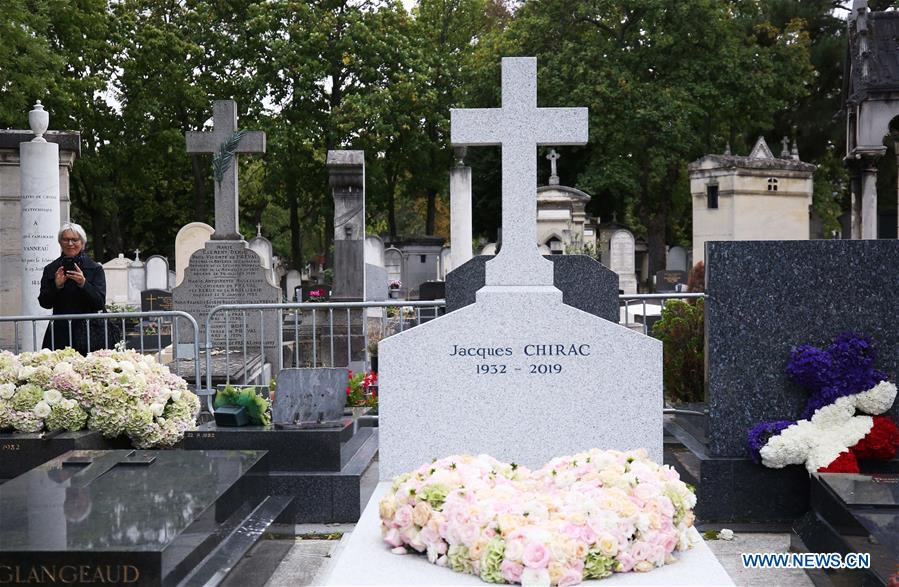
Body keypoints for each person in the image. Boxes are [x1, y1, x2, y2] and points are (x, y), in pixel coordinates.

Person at [39, 222, 109, 355]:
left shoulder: (95, 268)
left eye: (75, 240)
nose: (70, 243)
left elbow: (99, 302)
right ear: (60, 242)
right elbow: (44, 302)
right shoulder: (51, 269)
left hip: (89, 332)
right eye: (66, 239)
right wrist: (57, 286)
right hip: (60, 332)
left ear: (82, 243)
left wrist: (83, 283)